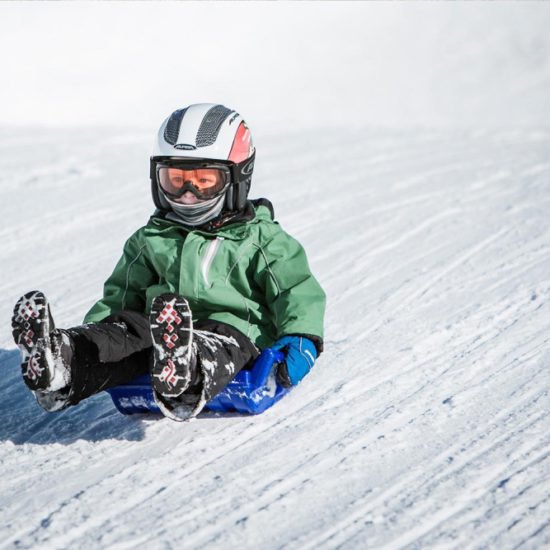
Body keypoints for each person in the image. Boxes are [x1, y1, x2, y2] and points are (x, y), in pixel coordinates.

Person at [11, 103, 326, 422]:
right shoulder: (151, 238)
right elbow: (121, 294)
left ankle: (186, 372)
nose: (188, 194)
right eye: (176, 180)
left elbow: (296, 290)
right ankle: (65, 361)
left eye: (204, 181)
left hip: (233, 334)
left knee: (223, 341)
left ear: (237, 177)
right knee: (127, 333)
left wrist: (302, 337)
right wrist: (100, 332)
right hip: (159, 331)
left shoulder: (262, 240)